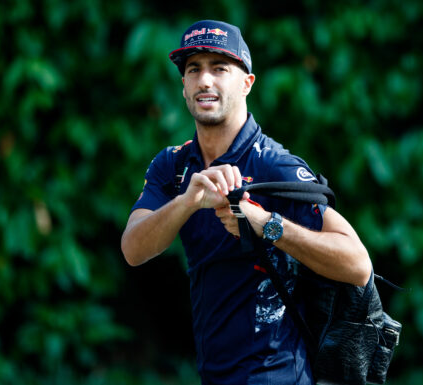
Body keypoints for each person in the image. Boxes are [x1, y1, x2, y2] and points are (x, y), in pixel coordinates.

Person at [121, 19, 372, 385]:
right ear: (184, 86)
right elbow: (133, 249)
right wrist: (187, 201)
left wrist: (266, 224)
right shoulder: (174, 167)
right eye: (194, 69)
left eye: (220, 68)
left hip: (279, 375)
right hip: (214, 375)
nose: (205, 80)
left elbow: (358, 264)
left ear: (246, 83)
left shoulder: (274, 166)